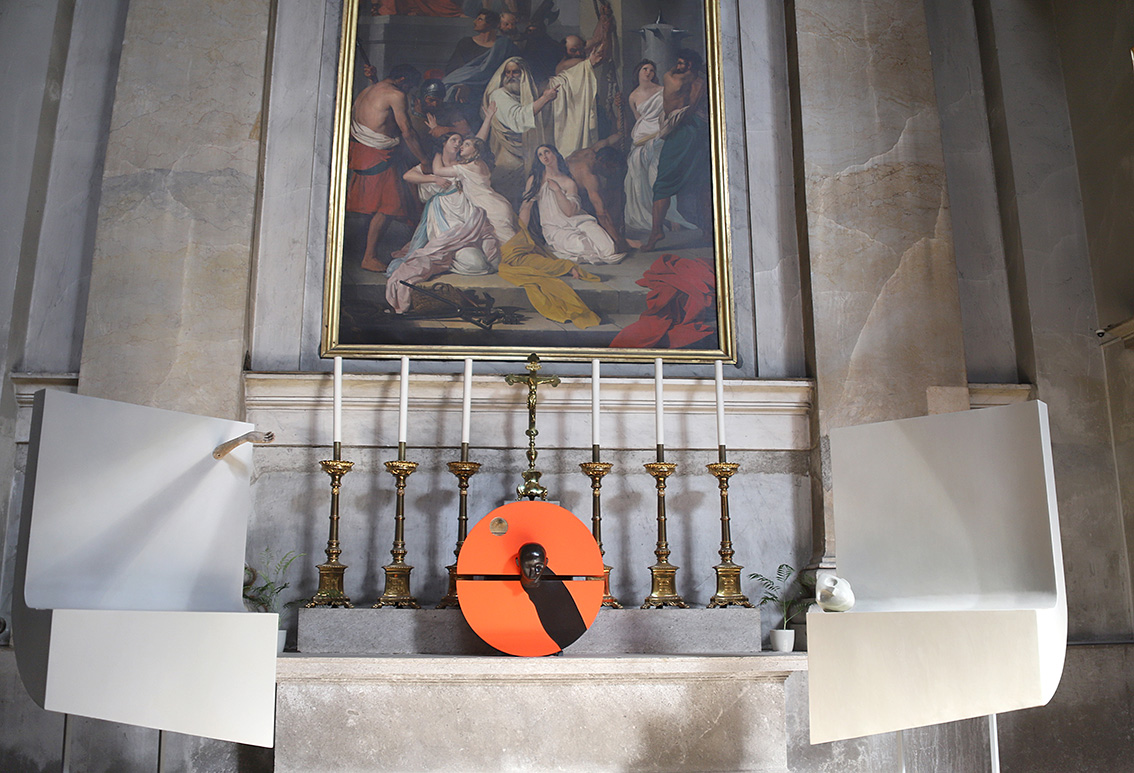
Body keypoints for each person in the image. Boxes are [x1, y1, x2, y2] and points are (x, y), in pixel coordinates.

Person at [385, 130, 501, 314]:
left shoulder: (463, 164)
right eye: (454, 140)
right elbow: (408, 176)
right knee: (475, 263)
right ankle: (449, 257)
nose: (458, 144)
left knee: (490, 261)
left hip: (467, 220)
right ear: (444, 144)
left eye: (460, 141)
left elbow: (478, 143)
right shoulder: (431, 165)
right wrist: (434, 179)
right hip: (443, 219)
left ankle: (454, 256)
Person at [346, 63, 433, 273]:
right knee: (390, 205)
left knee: (380, 203)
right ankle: (369, 257)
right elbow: (407, 131)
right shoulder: (396, 94)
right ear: (402, 81)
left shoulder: (370, 89)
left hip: (362, 152)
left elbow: (379, 113)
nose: (409, 92)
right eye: (409, 87)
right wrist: (424, 160)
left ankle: (366, 251)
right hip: (377, 156)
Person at [644, 49, 711, 252]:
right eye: (678, 63)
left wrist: (674, 123)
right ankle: (707, 231)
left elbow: (689, 112)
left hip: (685, 132)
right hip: (690, 130)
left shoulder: (672, 78)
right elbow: (691, 107)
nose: (678, 66)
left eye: (682, 63)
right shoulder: (697, 82)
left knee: (665, 182)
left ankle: (657, 232)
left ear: (688, 65)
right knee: (699, 182)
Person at [623, 59, 696, 235]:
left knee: (657, 176)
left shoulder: (662, 90)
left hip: (659, 133)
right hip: (641, 137)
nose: (648, 72)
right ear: (638, 72)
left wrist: (663, 131)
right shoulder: (633, 96)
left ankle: (671, 217)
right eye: (645, 69)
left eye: (651, 70)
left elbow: (667, 112)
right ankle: (650, 217)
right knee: (637, 177)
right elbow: (639, 119)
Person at [520, 144, 624, 265]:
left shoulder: (568, 182)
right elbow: (526, 208)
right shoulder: (535, 180)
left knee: (608, 247)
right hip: (556, 228)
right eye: (540, 155)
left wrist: (557, 191)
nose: (544, 157)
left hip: (579, 221)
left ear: (555, 154)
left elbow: (569, 212)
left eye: (547, 152)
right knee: (583, 246)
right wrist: (521, 234)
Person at [481, 56, 557, 204]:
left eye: (515, 72)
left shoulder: (527, 94)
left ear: (524, 75)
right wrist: (545, 99)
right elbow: (518, 119)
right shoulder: (498, 95)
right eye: (507, 72)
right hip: (507, 158)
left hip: (526, 156)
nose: (510, 76)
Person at [515, 543, 588, 652]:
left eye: (538, 567)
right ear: (518, 563)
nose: (533, 573)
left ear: (546, 563)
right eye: (528, 566)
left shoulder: (553, 589)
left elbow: (570, 629)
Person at [566, 133, 629, 252]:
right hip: (566, 205)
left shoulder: (592, 151)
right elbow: (602, 213)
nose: (610, 173)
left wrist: (623, 133)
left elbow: (610, 139)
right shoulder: (589, 176)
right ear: (600, 162)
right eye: (610, 168)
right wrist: (618, 240)